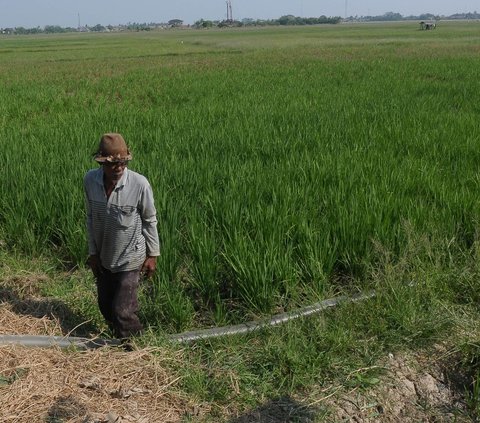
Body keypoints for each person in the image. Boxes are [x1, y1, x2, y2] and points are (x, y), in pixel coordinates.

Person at [84, 133, 160, 339]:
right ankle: (117, 335)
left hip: (131, 257)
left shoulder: (139, 184)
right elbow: (90, 217)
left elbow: (149, 219)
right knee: (105, 305)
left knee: (123, 311)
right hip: (105, 255)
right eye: (112, 164)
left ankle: (135, 347)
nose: (118, 168)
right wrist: (93, 253)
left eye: (122, 163)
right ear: (101, 162)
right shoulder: (90, 180)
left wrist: (153, 254)